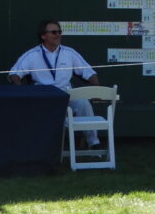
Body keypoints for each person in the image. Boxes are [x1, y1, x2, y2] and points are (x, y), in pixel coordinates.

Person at [8, 19, 101, 148]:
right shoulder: (32, 55)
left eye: (59, 32)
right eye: (53, 32)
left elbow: (89, 72)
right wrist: (22, 93)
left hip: (67, 95)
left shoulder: (69, 53)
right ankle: (43, 146)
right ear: (43, 36)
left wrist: (97, 91)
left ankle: (93, 142)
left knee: (83, 103)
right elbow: (14, 74)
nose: (58, 35)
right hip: (43, 97)